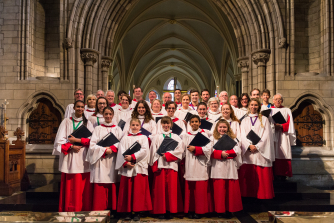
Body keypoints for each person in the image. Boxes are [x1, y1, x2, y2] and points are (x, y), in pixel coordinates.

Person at [53, 100, 94, 212]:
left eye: (82, 107)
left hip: (83, 157)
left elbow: (93, 140)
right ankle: (70, 208)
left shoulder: (87, 123)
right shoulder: (66, 121)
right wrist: (71, 146)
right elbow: (59, 141)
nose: (80, 109)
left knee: (82, 187)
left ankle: (83, 208)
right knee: (71, 186)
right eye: (78, 107)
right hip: (70, 157)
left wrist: (78, 140)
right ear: (74, 108)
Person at [115, 118, 152, 221]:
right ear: (130, 126)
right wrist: (126, 163)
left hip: (138, 166)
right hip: (127, 167)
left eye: (137, 125)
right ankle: (127, 211)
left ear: (140, 127)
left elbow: (145, 151)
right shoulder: (125, 138)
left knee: (138, 191)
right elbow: (121, 152)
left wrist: (133, 157)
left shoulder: (143, 137)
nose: (135, 127)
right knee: (127, 189)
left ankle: (137, 211)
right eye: (133, 125)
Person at [87, 107, 123, 212]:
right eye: (106, 114)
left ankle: (113, 209)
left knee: (113, 180)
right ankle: (100, 208)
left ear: (113, 115)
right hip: (100, 161)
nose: (108, 116)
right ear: (103, 115)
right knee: (101, 181)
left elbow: (122, 143)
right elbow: (92, 145)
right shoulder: (98, 129)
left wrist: (111, 148)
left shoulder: (117, 129)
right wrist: (103, 150)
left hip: (113, 159)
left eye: (110, 114)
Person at [239, 98, 275, 200]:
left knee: (261, 175)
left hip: (260, 152)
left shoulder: (264, 119)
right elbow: (242, 135)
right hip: (248, 152)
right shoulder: (245, 120)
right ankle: (248, 196)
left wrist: (258, 146)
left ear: (258, 106)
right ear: (249, 106)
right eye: (252, 105)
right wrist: (249, 145)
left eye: (255, 105)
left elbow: (267, 135)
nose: (253, 107)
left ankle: (262, 196)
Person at [149, 116, 184, 219]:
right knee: (160, 190)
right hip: (160, 165)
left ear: (171, 124)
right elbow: (152, 151)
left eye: (167, 123)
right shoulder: (157, 137)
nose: (166, 125)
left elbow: (180, 151)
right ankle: (161, 211)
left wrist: (168, 155)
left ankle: (170, 210)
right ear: (161, 125)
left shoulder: (176, 137)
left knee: (172, 189)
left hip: (172, 165)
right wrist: (156, 164)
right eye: (164, 123)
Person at [210, 119, 243, 218]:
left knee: (230, 190)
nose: (222, 129)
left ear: (228, 128)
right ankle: (220, 211)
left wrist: (227, 154)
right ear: (217, 128)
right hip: (218, 166)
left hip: (230, 166)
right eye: (220, 127)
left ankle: (230, 210)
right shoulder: (213, 138)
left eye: (224, 127)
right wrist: (220, 154)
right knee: (219, 190)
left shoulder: (233, 138)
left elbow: (237, 150)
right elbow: (209, 150)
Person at [183, 115, 213, 219]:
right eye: (192, 122)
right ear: (190, 124)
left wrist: (196, 149)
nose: (194, 123)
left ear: (200, 123)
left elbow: (209, 149)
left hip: (200, 164)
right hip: (189, 164)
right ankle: (190, 210)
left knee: (200, 189)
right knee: (190, 189)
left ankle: (199, 211)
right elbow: (182, 151)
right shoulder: (186, 135)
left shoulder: (204, 134)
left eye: (196, 121)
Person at [270, 93, 296, 180]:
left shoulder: (287, 110)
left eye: (280, 99)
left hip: (283, 135)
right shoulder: (269, 110)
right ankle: (273, 175)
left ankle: (282, 175)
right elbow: (266, 123)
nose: (278, 101)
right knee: (272, 152)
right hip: (272, 135)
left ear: (282, 101)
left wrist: (281, 126)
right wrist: (274, 126)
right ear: (273, 101)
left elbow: (290, 123)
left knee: (283, 153)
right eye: (276, 99)